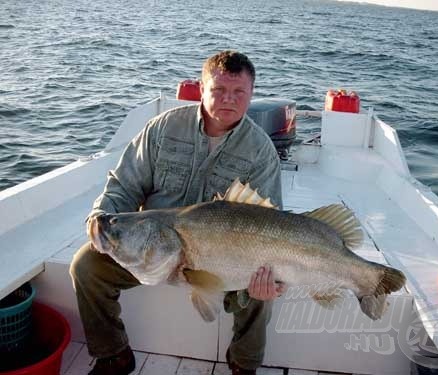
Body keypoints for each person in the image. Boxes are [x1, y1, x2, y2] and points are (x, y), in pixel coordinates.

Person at [70, 50, 284, 375]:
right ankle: (113, 354)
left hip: (224, 260)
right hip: (151, 251)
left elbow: (270, 221)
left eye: (239, 92)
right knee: (86, 265)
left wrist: (264, 277)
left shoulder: (261, 152)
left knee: (261, 289)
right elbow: (124, 186)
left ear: (252, 94)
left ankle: (243, 365)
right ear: (202, 88)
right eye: (218, 90)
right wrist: (102, 217)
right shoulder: (163, 127)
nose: (228, 99)